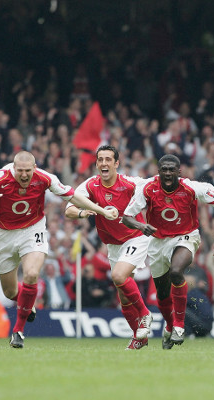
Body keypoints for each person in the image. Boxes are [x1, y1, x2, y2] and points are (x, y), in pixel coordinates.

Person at [0, 151, 118, 349]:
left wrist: (101, 210)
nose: (24, 175)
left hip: (33, 230)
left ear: (34, 168)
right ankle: (27, 302)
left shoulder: (45, 178)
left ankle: (18, 332)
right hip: (3, 235)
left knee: (31, 274)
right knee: (10, 292)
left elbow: (72, 196)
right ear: (14, 168)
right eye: (20, 171)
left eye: (28, 171)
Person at [122, 154, 214, 349]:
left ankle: (179, 326)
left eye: (171, 169)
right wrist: (141, 226)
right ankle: (170, 326)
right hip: (157, 242)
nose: (167, 173)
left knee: (176, 271)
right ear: (158, 171)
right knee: (162, 296)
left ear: (178, 172)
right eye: (163, 169)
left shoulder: (192, 188)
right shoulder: (148, 189)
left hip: (186, 236)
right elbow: (126, 217)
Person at [65, 145, 153, 350]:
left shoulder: (130, 183)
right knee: (123, 297)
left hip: (135, 238)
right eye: (100, 160)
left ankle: (145, 315)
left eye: (108, 159)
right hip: (113, 246)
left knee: (119, 276)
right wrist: (81, 213)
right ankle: (139, 338)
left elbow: (152, 188)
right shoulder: (90, 186)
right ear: (96, 164)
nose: (104, 163)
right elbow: (69, 208)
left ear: (116, 164)